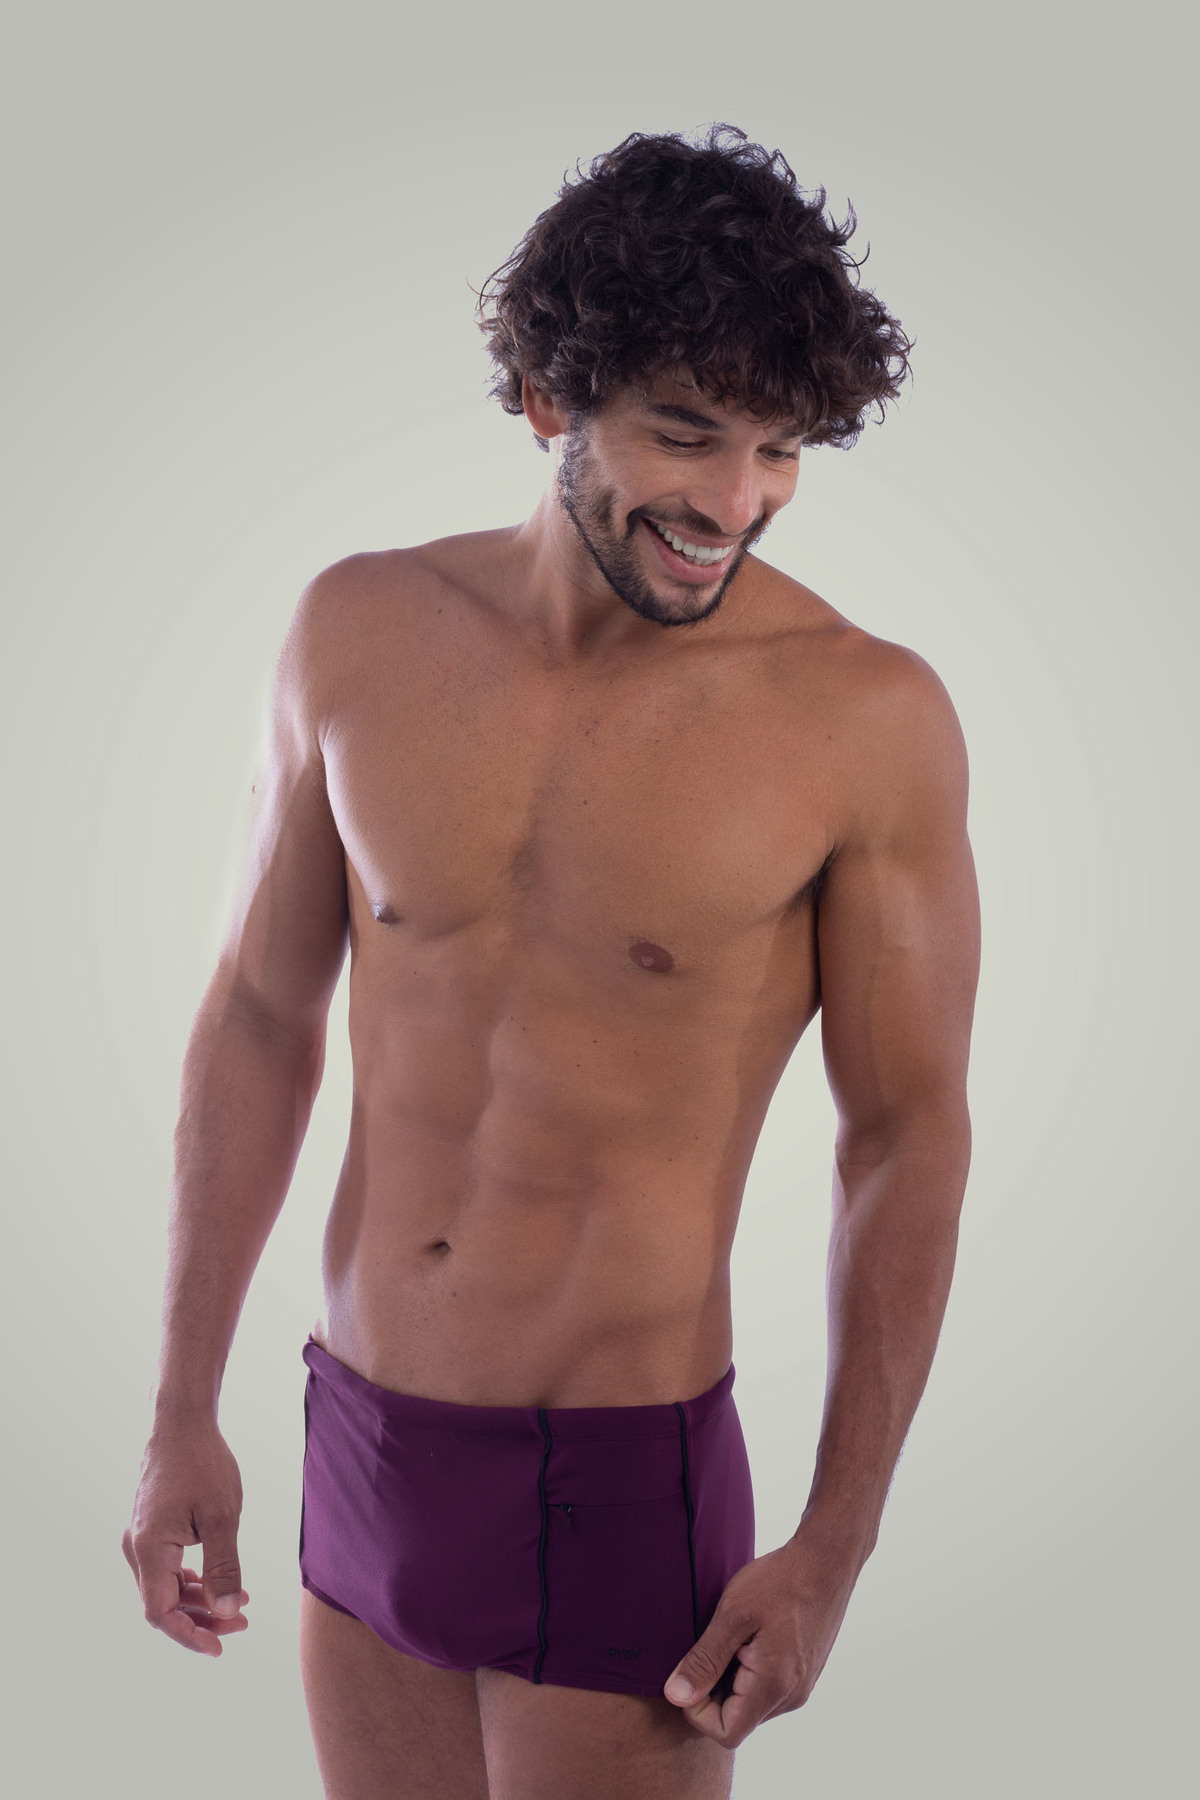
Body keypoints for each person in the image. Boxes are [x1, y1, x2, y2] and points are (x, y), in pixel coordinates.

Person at [122, 124, 980, 1800]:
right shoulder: (354, 634)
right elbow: (257, 1014)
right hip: (361, 1434)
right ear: (543, 400)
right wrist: (180, 1407)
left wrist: (836, 1546)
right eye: (685, 435)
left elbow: (907, 1136)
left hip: (614, 1482)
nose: (734, 505)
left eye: (780, 451)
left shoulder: (864, 721)